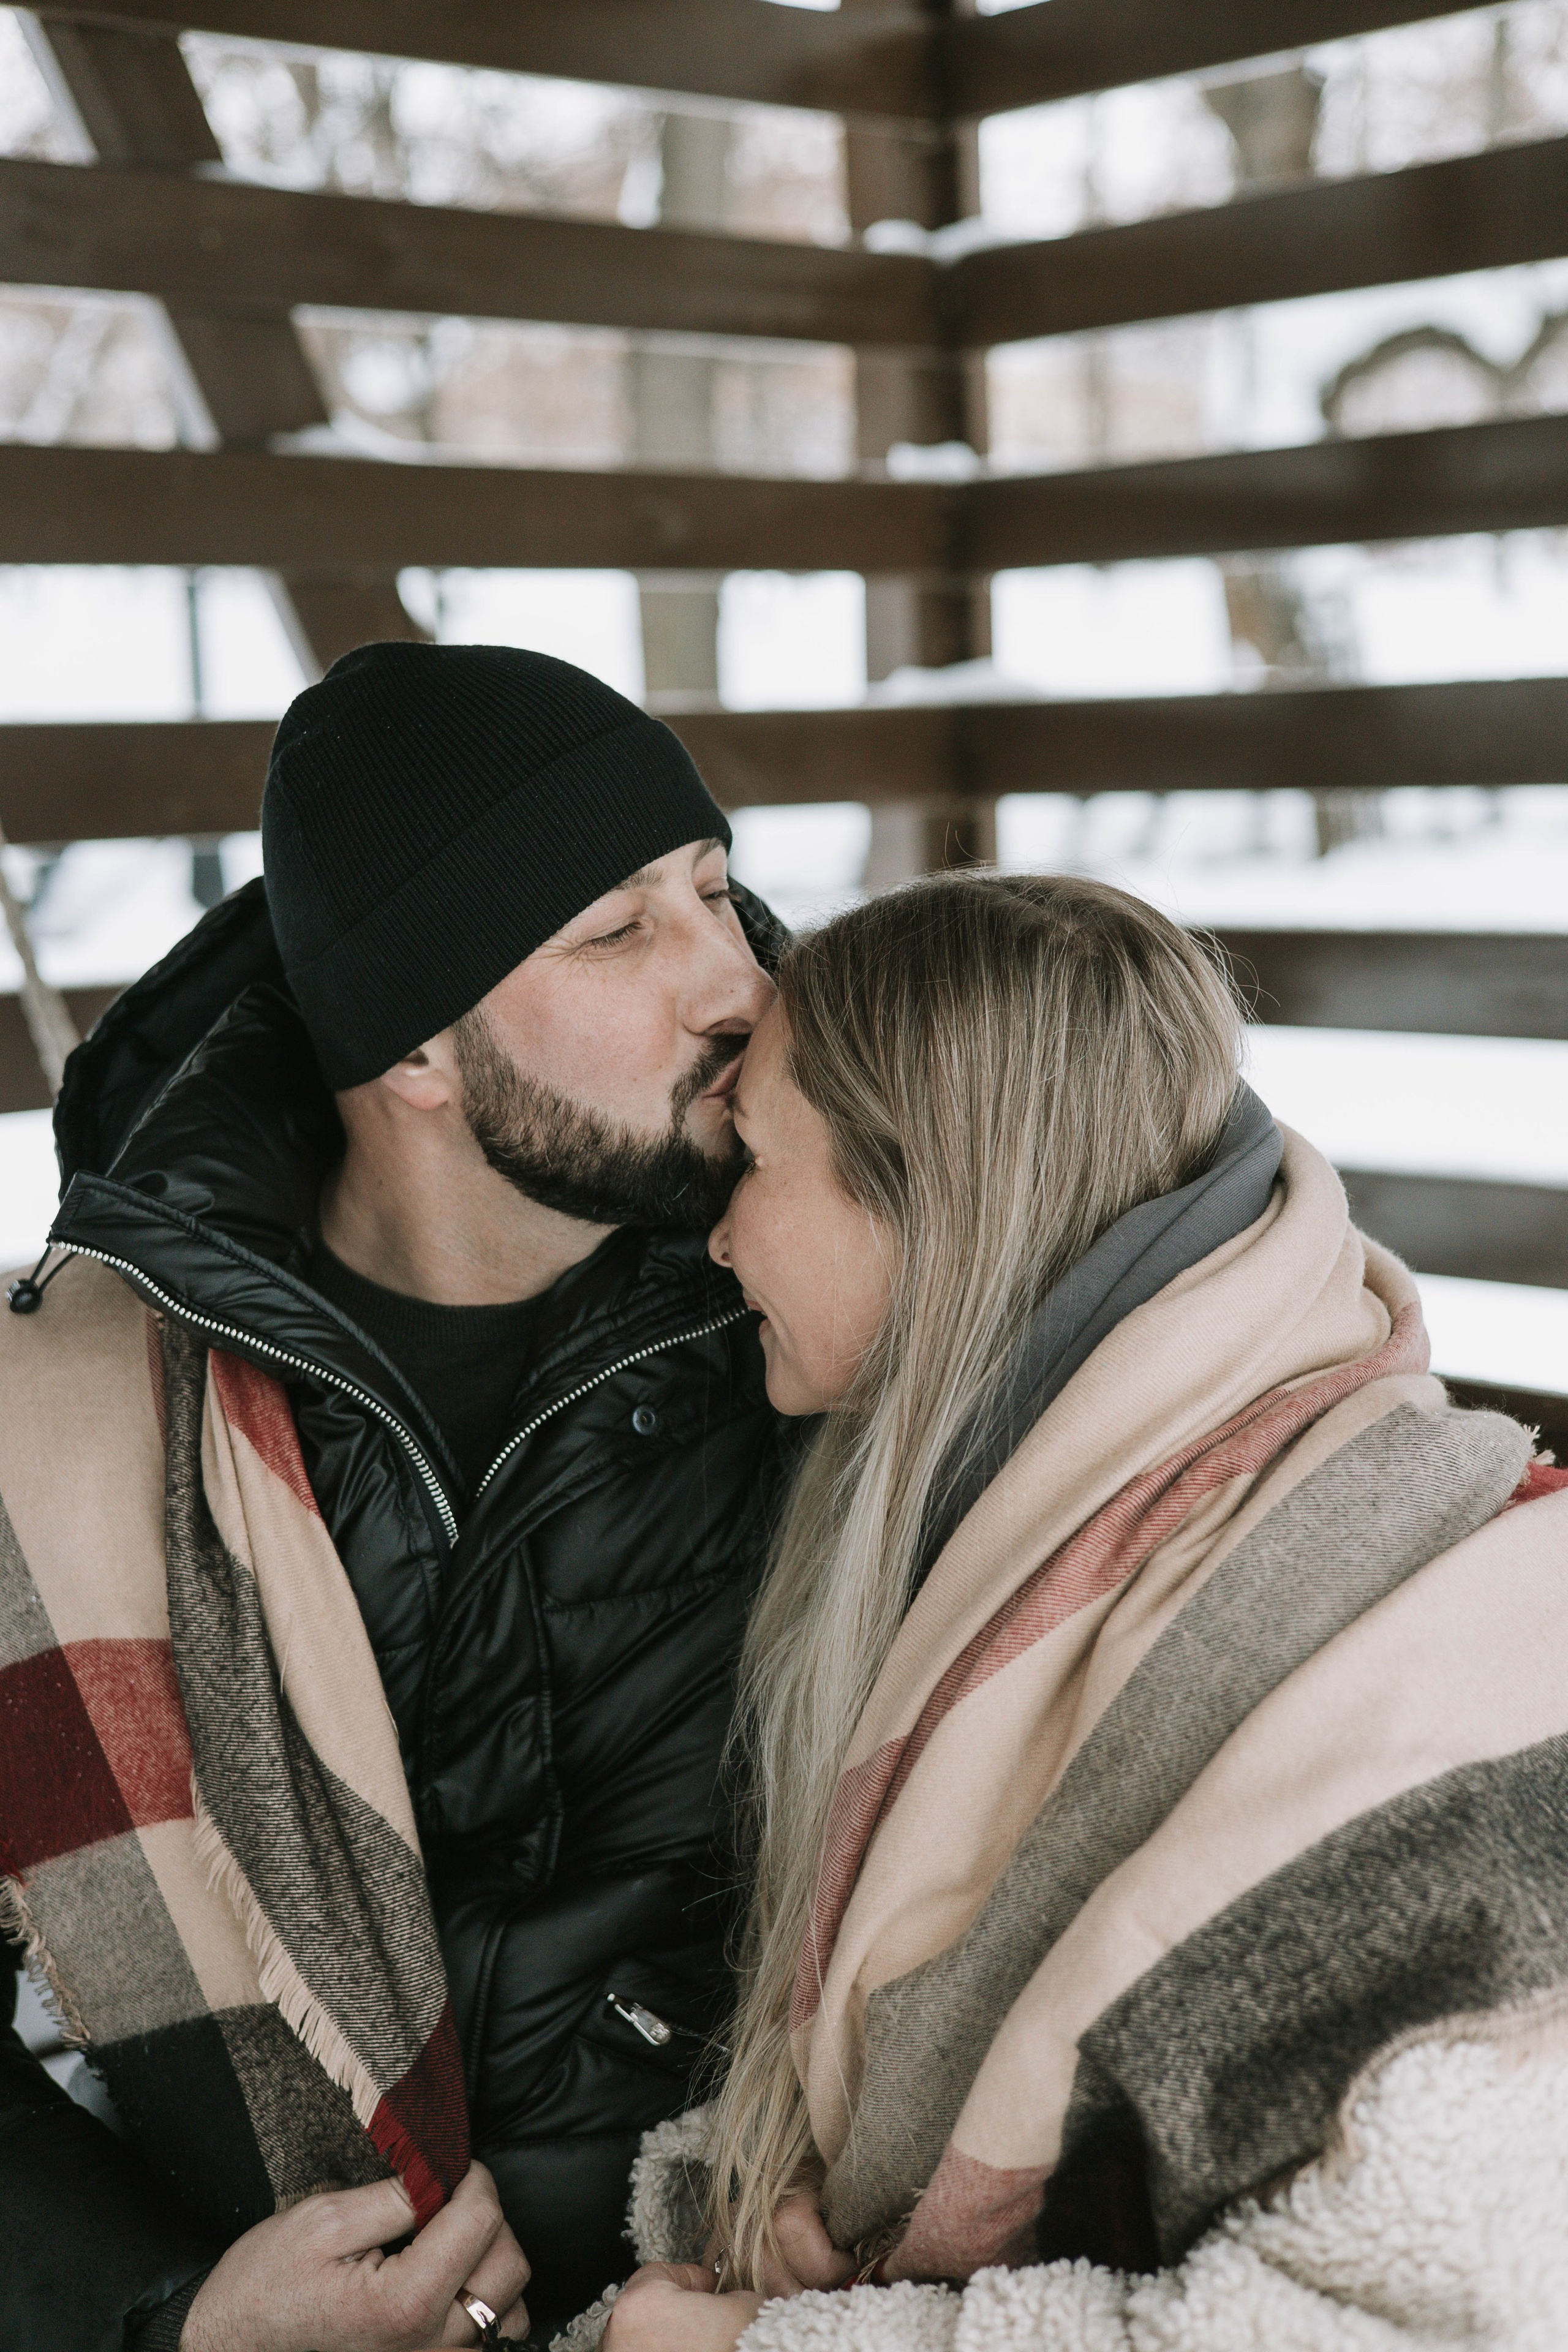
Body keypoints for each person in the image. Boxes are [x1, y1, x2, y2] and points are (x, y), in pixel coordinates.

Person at [587, 871, 1568, 2352]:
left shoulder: (1362, 1649)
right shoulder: (1068, 1538)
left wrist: (759, 2345)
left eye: (755, 1162)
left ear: (929, 1195)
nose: (718, 1238)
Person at [0, 643, 789, 2350]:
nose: (735, 979)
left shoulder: (819, 1321)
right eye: (619, 930)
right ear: (416, 1050)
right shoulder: (76, 1427)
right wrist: (166, 2321)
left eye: (716, 890)